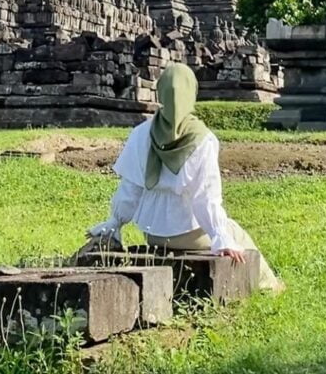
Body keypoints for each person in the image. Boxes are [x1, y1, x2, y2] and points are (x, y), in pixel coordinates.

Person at [87, 62, 282, 291]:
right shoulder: (203, 139)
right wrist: (221, 238)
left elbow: (130, 190)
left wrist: (114, 224)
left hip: (152, 233)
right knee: (235, 232)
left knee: (229, 230)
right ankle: (270, 287)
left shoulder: (140, 134)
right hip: (189, 235)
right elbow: (206, 198)